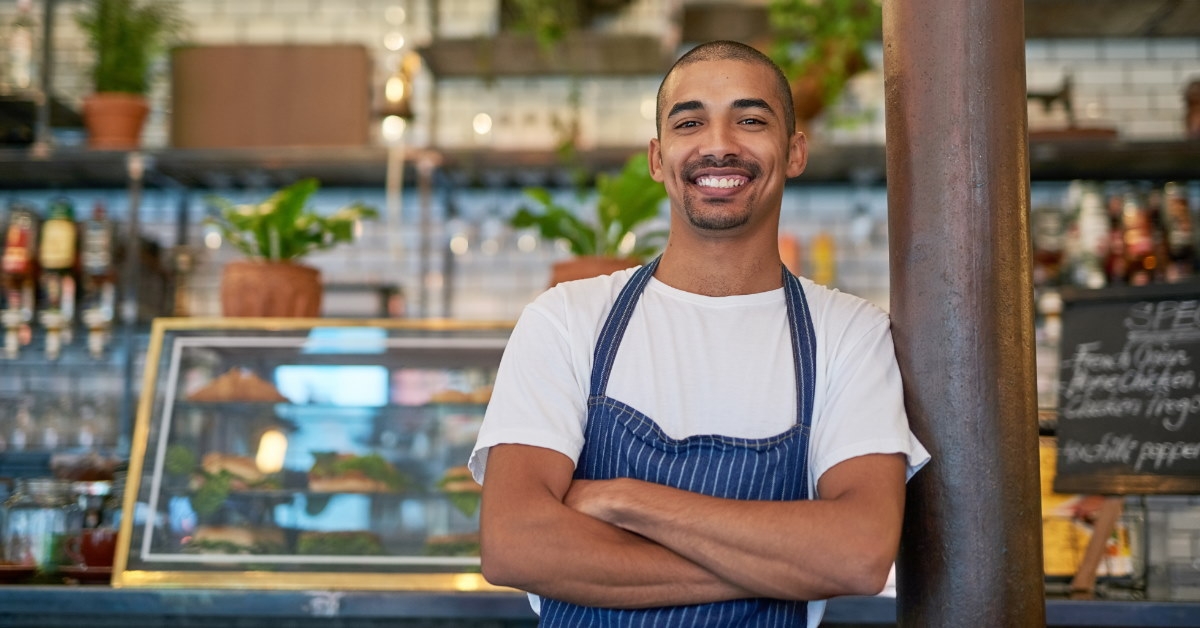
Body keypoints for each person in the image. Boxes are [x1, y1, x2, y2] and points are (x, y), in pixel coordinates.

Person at [468, 40, 930, 627]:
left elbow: (859, 554)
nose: (719, 145)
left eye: (751, 120)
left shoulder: (848, 333)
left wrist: (624, 499)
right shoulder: (567, 319)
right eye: (691, 122)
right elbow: (514, 543)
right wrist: (774, 568)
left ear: (794, 152)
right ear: (658, 159)